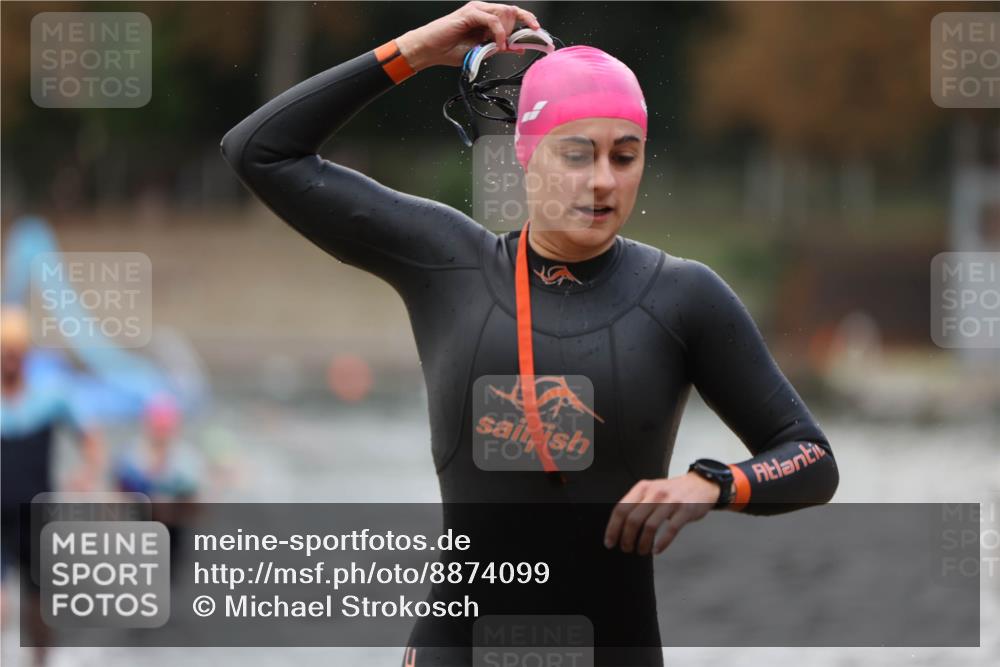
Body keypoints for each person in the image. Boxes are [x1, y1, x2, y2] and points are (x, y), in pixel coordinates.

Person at [220, 3, 839, 665]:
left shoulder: (683, 297)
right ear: (526, 154)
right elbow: (261, 151)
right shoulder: (449, 263)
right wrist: (417, 51)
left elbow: (809, 458)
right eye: (577, 154)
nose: (602, 180)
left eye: (624, 156)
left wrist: (714, 484)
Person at [1, 306, 105, 667]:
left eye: (15, 353)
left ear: (26, 354)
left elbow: (90, 436)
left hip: (37, 516)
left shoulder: (48, 398)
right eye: (4, 353)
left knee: (39, 608)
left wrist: (87, 473)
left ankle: (40, 662)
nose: (10, 360)